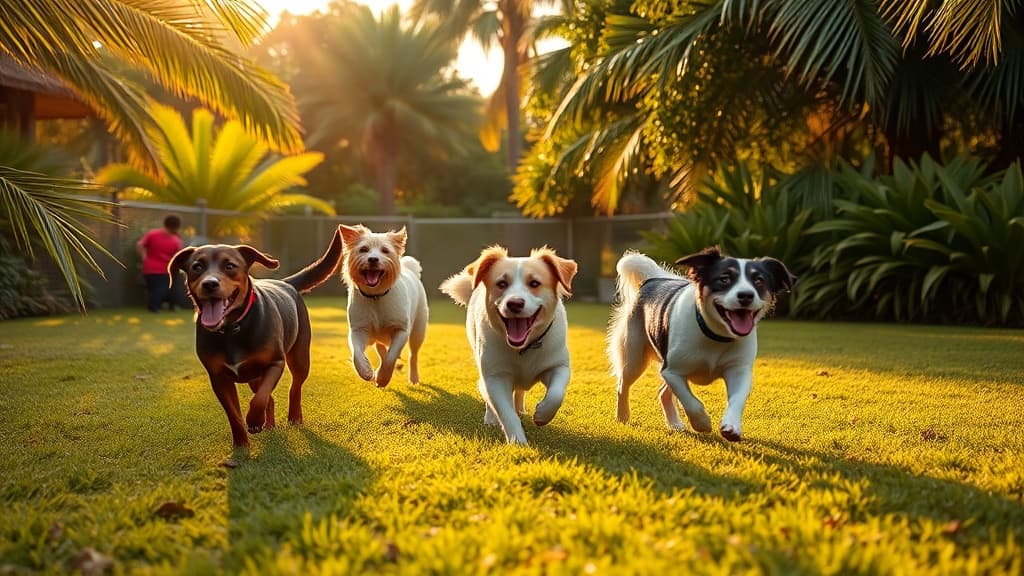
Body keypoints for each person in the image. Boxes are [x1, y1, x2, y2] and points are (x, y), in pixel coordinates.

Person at [137, 214, 184, 312]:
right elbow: (179, 255)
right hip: (165, 269)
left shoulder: (152, 234)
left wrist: (144, 257)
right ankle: (154, 307)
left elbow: (140, 245)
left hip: (149, 268)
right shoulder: (176, 240)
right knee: (162, 289)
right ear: (176, 227)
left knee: (153, 289)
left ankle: (160, 305)